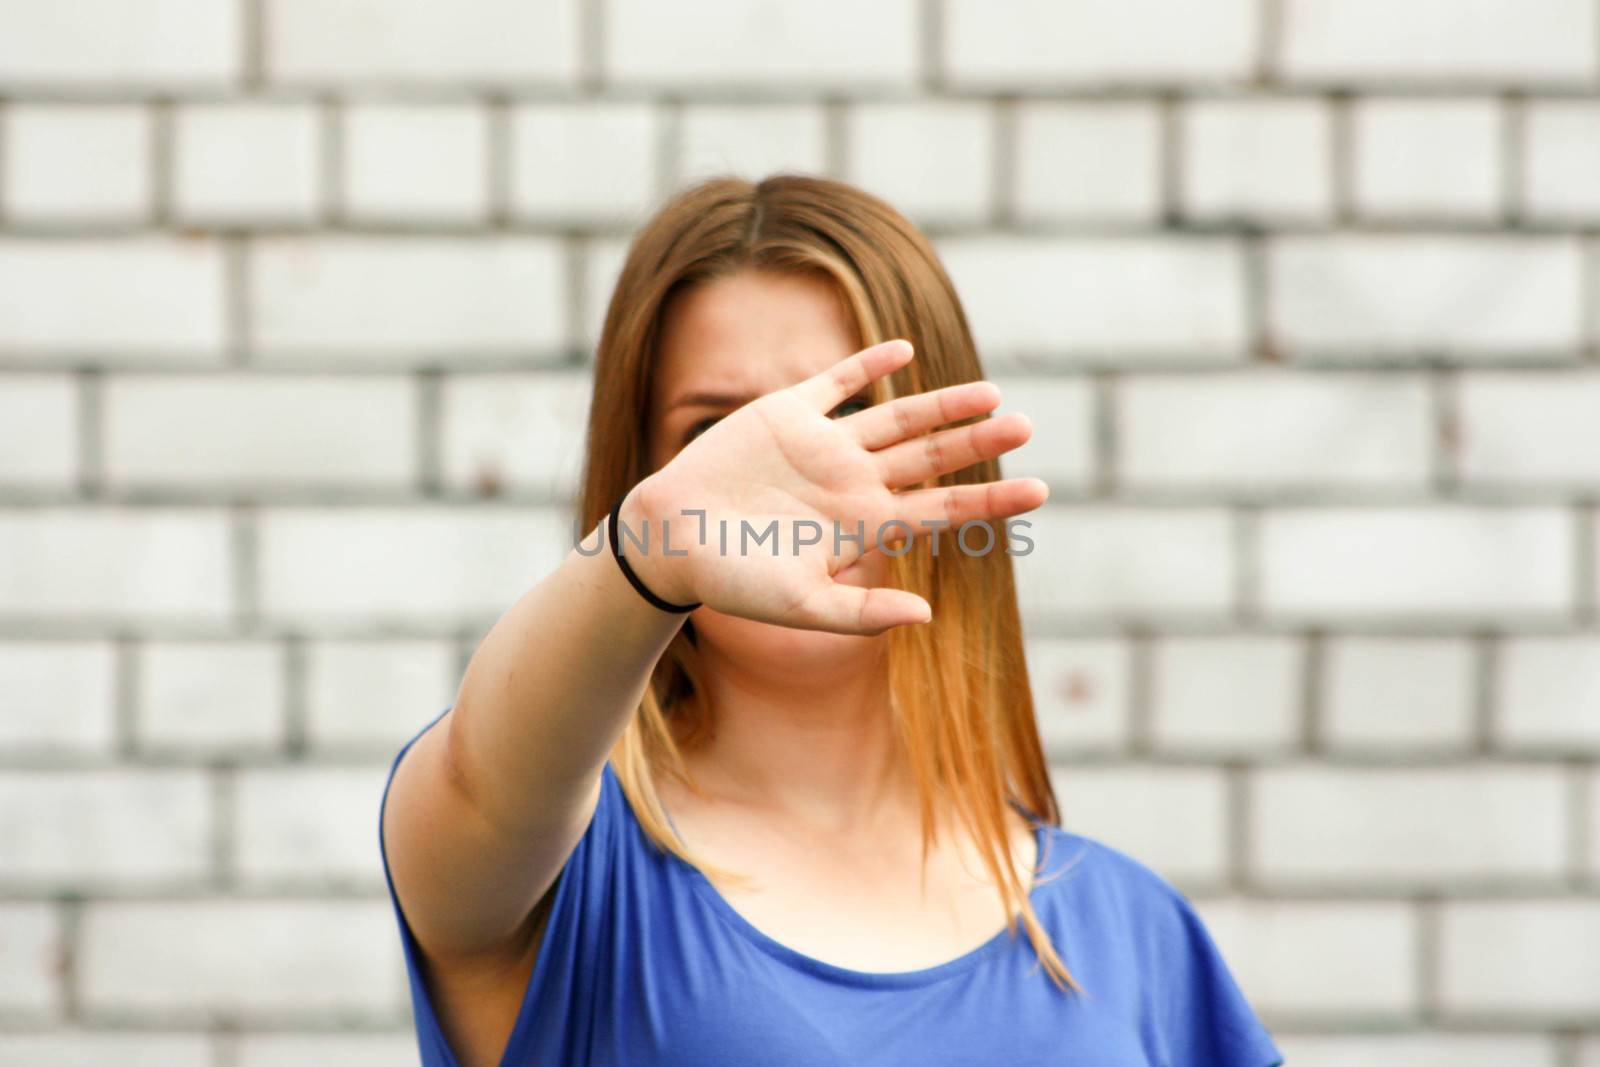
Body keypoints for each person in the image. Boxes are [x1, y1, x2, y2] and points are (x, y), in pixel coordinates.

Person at [379, 173, 1284, 1067]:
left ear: (943, 463)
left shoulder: (1131, 933)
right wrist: (653, 546)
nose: (791, 488)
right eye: (711, 436)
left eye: (851, 421)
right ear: (639, 475)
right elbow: (475, 780)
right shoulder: (562, 875)